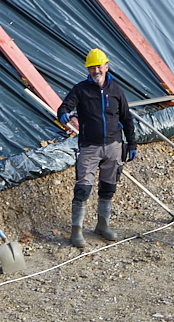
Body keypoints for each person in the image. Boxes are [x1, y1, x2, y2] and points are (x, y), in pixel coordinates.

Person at [57, 48, 137, 248]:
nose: (95, 71)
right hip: (89, 147)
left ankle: (103, 225)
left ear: (106, 66)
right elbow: (63, 107)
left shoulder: (117, 91)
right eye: (91, 68)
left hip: (114, 146)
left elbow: (126, 118)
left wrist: (132, 143)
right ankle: (76, 231)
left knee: (108, 187)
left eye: (98, 66)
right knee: (83, 188)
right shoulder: (81, 90)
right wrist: (64, 114)